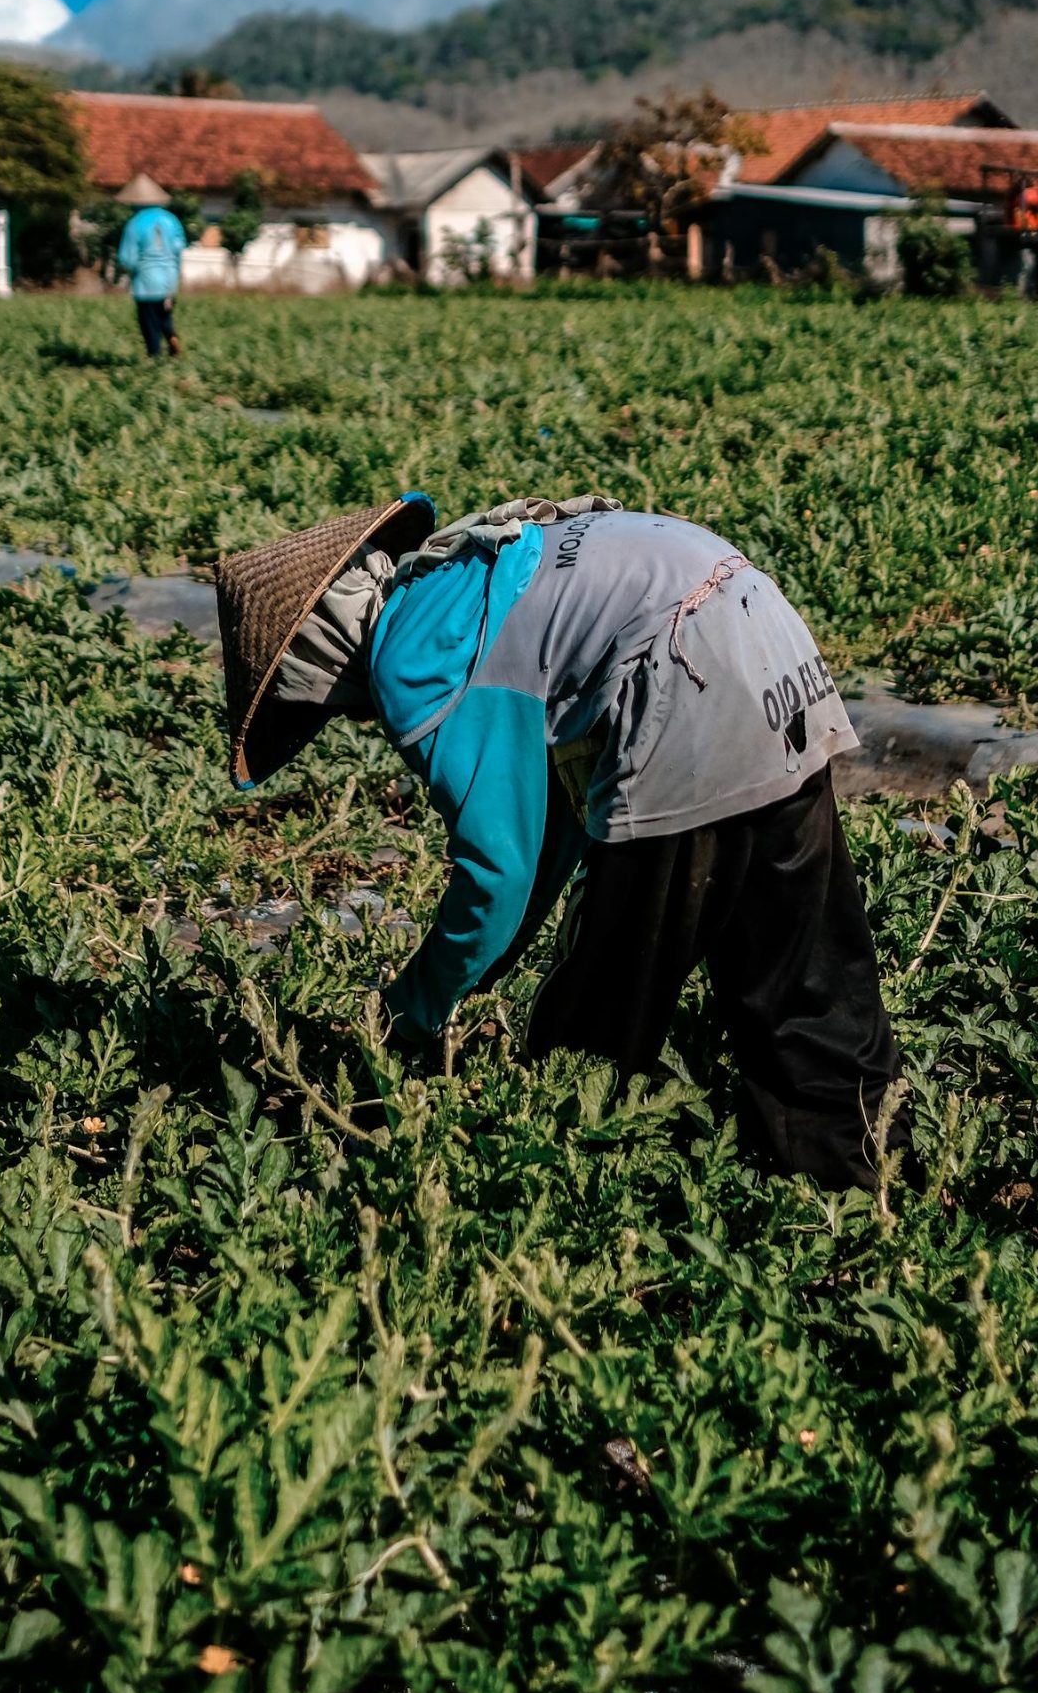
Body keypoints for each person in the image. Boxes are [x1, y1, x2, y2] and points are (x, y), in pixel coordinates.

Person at [215, 493, 914, 1192]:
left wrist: (412, 1011)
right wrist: (480, 967)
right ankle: (866, 1194)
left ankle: (556, 1200)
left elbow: (497, 871)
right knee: (806, 974)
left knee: (595, 1018)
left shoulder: (413, 652)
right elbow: (549, 831)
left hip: (683, 677)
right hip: (765, 632)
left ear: (315, 656)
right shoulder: (459, 575)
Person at [115, 179, 187, 359]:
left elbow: (127, 258)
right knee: (164, 315)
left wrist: (129, 271)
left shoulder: (135, 223)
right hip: (170, 279)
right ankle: (171, 335)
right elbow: (179, 247)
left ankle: (154, 356)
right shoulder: (172, 220)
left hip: (147, 282)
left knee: (149, 322)